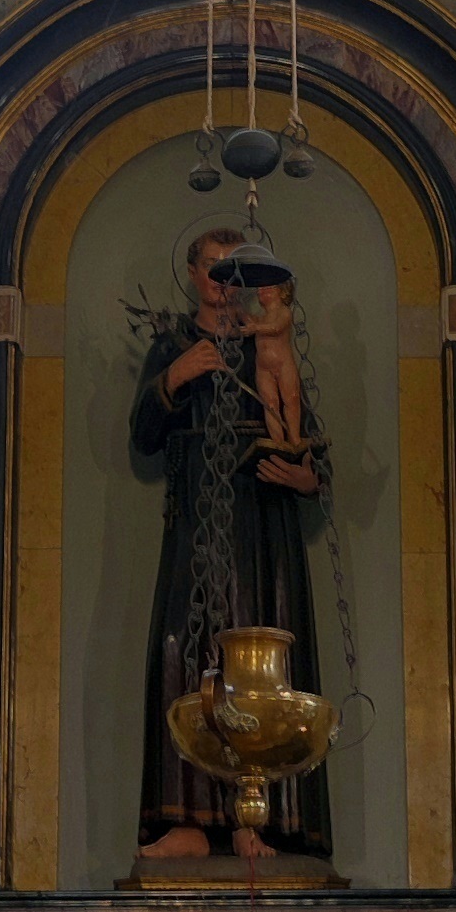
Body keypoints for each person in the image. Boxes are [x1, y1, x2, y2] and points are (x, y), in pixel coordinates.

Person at [133, 225, 333, 867]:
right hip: (196, 525)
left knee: (260, 661)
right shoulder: (173, 343)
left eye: (235, 268)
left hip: (262, 526)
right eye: (214, 267)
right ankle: (188, 821)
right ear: (194, 275)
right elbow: (142, 434)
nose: (223, 280)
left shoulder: (264, 340)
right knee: (184, 653)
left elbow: (304, 435)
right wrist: (175, 376)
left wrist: (306, 479)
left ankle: (259, 820)